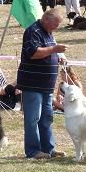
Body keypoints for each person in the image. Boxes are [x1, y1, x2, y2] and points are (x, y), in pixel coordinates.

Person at [16, 10, 68, 160]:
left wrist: (58, 57)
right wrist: (55, 49)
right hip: (33, 84)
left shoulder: (48, 32)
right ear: (45, 19)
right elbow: (34, 53)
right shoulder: (33, 31)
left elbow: (48, 51)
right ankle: (33, 151)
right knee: (33, 118)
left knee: (47, 117)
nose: (56, 27)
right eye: (55, 24)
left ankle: (49, 149)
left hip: (47, 86)